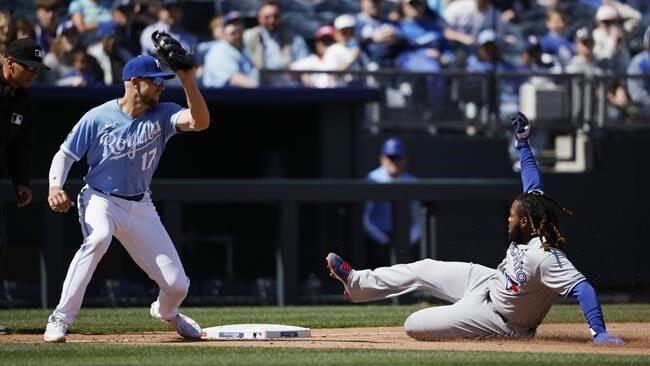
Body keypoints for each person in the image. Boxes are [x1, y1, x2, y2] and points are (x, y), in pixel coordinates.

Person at [327, 112, 625, 345]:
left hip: (500, 320)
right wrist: (523, 144)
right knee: (424, 267)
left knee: (413, 325)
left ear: (524, 222)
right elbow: (533, 183)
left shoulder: (545, 255)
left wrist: (598, 332)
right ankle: (357, 283)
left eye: (511, 216)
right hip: (488, 282)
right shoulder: (533, 215)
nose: (507, 219)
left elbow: (583, 288)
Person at [43, 54, 210, 343]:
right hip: (100, 199)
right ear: (135, 83)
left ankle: (166, 313)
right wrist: (54, 187)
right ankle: (59, 318)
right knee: (98, 239)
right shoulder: (99, 116)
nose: (161, 87)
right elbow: (65, 154)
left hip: (140, 204)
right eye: (156, 82)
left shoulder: (162, 113)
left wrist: (188, 81)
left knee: (177, 286)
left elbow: (201, 122)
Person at [0, 38, 50, 335]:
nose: (33, 73)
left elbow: (19, 148)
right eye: (28, 67)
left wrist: (21, 182)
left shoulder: (23, 102)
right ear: (9, 63)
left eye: (36, 69)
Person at [363, 137, 420, 268]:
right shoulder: (373, 179)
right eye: (391, 157)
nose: (395, 162)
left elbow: (417, 217)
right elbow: (365, 218)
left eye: (398, 157)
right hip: (378, 240)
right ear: (382, 158)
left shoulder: (411, 181)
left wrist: (411, 236)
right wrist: (382, 239)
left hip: (404, 239)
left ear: (405, 159)